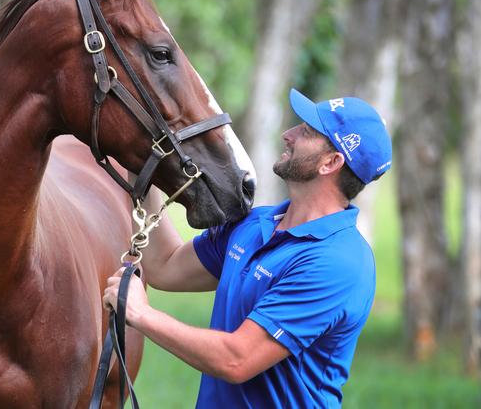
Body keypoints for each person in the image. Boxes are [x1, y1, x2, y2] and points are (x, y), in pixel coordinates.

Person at [103, 88, 393, 408]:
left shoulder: (338, 263)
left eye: (307, 132)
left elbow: (237, 360)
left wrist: (140, 314)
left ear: (331, 162)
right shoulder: (256, 224)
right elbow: (165, 265)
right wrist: (140, 163)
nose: (288, 134)